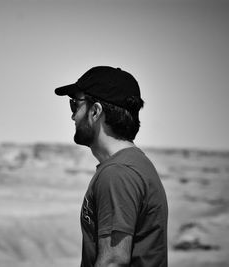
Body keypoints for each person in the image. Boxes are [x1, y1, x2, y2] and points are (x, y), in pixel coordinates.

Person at [54, 66, 168, 267]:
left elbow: (113, 261)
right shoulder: (131, 164)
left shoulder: (117, 174)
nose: (73, 116)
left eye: (75, 104)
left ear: (96, 111)